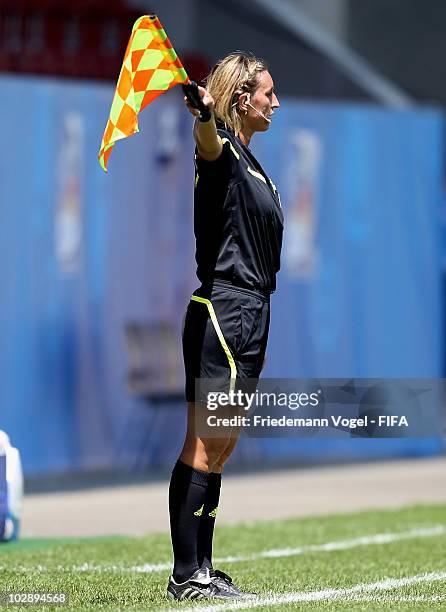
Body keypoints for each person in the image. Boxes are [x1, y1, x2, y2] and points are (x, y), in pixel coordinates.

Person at [167, 51, 283, 601]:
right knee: (205, 442)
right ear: (243, 98)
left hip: (251, 309)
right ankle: (185, 574)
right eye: (267, 93)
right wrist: (205, 117)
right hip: (224, 308)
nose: (275, 102)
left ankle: (204, 570)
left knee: (223, 443)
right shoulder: (225, 153)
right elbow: (208, 146)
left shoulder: (255, 164)